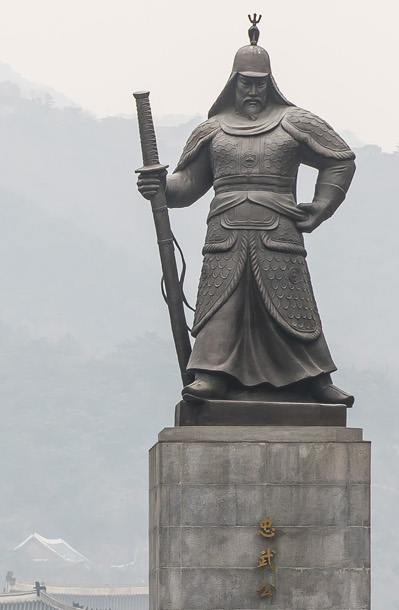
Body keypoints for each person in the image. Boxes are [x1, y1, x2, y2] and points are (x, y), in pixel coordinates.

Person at [133, 18, 356, 405]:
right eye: (245, 81)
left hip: (279, 233)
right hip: (226, 234)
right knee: (222, 305)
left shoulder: (294, 122)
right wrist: (162, 188)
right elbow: (188, 184)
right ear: (232, 82)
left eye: (259, 82)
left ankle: (314, 380)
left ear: (270, 83)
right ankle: (212, 374)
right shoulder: (213, 129)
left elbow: (340, 160)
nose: (252, 90)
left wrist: (321, 207)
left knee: (292, 306)